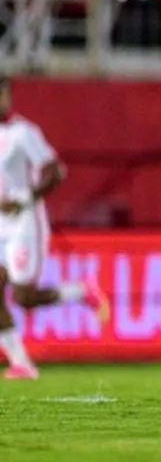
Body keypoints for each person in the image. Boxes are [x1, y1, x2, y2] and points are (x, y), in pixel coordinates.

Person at [0, 76, 110, 380]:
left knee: (24, 298)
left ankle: (80, 290)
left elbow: (56, 171)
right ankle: (20, 362)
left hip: (24, 222)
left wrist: (25, 197)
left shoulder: (22, 133)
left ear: (6, 97)